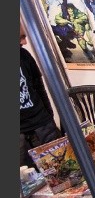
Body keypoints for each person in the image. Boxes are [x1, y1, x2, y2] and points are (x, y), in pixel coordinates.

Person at [20, 25, 62, 170]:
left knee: (61, 168)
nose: (25, 42)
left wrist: (49, 115)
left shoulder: (24, 55)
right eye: (21, 38)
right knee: (29, 182)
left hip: (42, 125)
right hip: (20, 135)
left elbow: (39, 87)